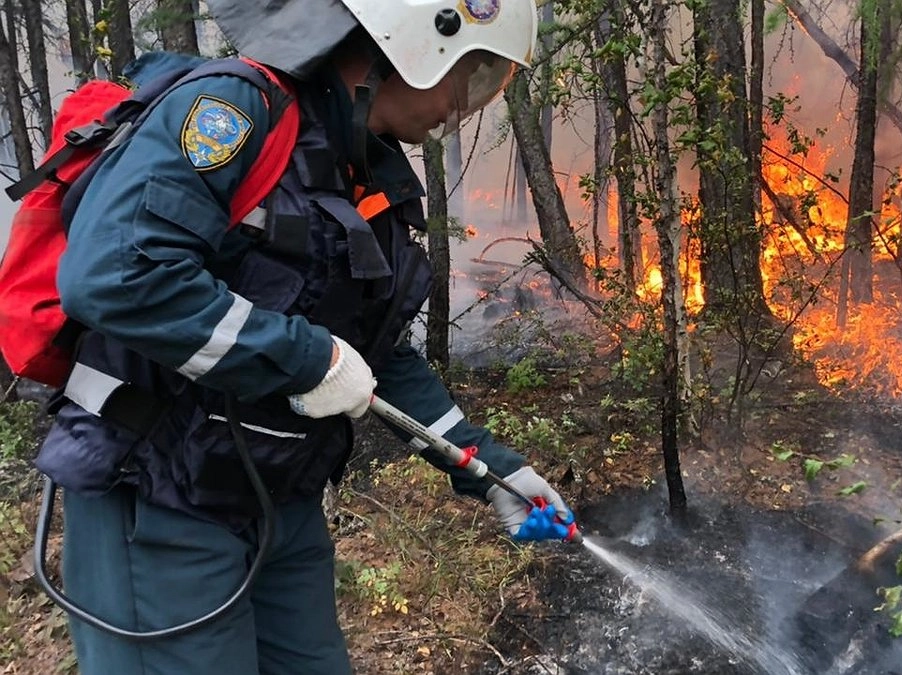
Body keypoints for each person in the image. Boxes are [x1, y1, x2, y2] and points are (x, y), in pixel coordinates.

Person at [32, 0, 574, 672]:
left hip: (277, 503)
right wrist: (306, 357)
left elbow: (372, 357)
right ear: (406, 42)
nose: (465, 101)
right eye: (472, 69)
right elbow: (117, 274)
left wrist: (493, 471)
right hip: (159, 501)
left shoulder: (360, 167)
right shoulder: (232, 112)